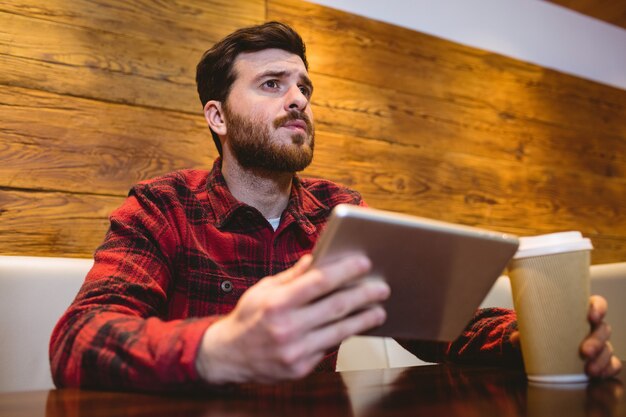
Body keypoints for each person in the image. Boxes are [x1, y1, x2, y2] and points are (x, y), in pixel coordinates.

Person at [49, 21, 621, 391]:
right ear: (217, 117)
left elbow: (441, 326)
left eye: (303, 88)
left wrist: (533, 335)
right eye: (272, 84)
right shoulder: (162, 206)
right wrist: (220, 349)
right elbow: (79, 339)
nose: (298, 99)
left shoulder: (339, 211)